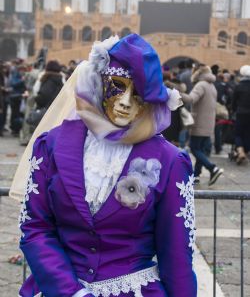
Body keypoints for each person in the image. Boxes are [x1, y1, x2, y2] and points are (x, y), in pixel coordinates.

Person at [12, 34, 197, 297]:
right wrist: (71, 292)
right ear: (100, 82)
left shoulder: (169, 161)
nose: (125, 101)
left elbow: (176, 254)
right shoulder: (50, 146)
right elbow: (36, 227)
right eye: (118, 86)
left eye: (139, 94)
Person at [181, 64, 223, 185]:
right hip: (209, 124)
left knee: (194, 148)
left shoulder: (200, 85)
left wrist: (177, 92)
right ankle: (196, 175)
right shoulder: (211, 86)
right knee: (201, 150)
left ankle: (212, 168)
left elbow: (191, 99)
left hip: (199, 123)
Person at [232, 65, 250, 164]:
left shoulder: (238, 86)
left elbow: (234, 102)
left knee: (238, 133)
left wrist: (233, 110)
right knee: (248, 133)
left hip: (240, 112)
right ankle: (245, 151)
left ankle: (240, 151)